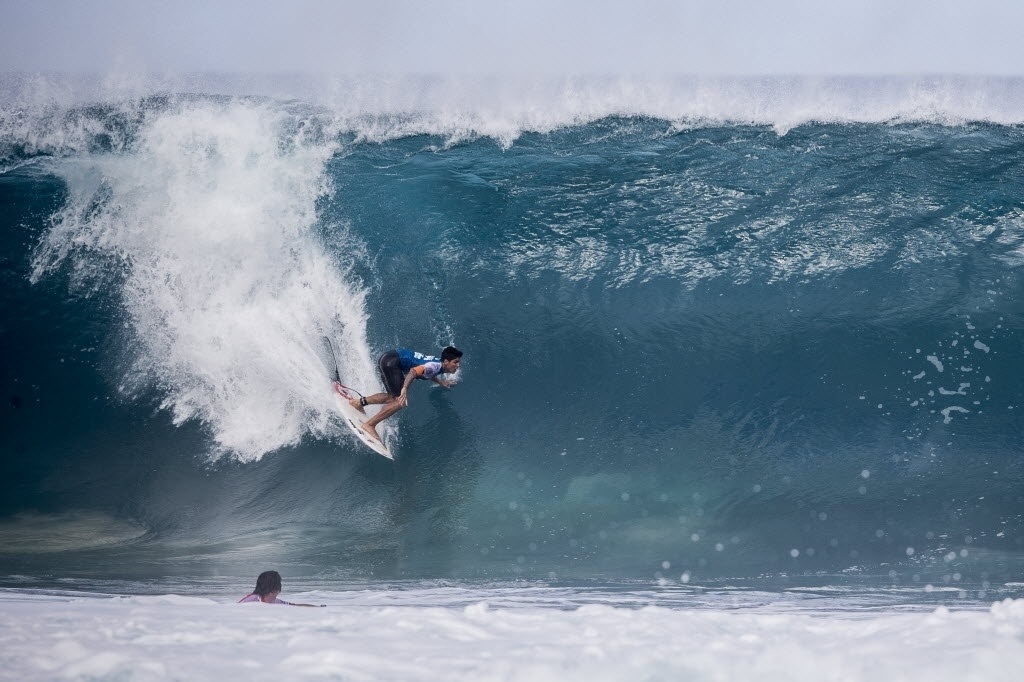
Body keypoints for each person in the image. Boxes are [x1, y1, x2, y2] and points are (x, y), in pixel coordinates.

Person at [350, 346, 463, 442]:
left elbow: (428, 373)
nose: (458, 365)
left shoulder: (438, 365)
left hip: (389, 359)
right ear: (446, 361)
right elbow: (414, 371)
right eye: (455, 362)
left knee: (391, 397)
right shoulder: (435, 366)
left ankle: (358, 403)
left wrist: (441, 382)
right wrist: (404, 388)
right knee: (399, 402)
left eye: (459, 362)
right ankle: (369, 425)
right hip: (392, 362)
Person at [238, 570, 322, 607]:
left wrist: (317, 607)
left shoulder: (275, 601)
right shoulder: (251, 600)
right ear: (274, 588)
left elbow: (296, 606)